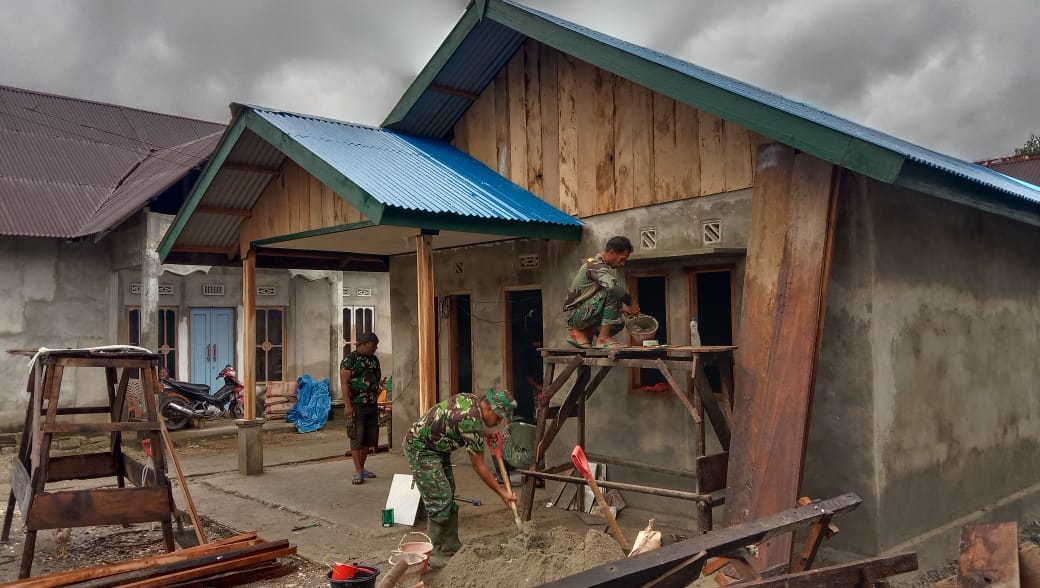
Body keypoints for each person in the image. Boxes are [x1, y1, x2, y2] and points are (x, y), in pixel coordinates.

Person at [403, 388, 517, 568]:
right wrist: (502, 492)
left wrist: (484, 434)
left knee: (449, 491)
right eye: (499, 417)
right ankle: (434, 552)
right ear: (488, 409)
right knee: (440, 497)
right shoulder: (471, 422)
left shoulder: (473, 403)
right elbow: (479, 466)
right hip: (421, 448)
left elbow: (458, 423)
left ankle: (450, 543)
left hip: (437, 447)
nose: (499, 422)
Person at [563, 236, 641, 348]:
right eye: (622, 259)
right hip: (574, 315)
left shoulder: (602, 267)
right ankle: (601, 339)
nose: (622, 264)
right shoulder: (594, 265)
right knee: (613, 291)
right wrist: (631, 303)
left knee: (619, 322)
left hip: (583, 312)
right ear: (612, 252)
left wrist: (620, 309)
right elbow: (612, 288)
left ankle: (585, 333)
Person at [340, 331, 381, 485]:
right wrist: (348, 405)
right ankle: (357, 471)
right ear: (363, 344)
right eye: (372, 345)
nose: (375, 348)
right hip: (356, 404)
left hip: (371, 404)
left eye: (376, 346)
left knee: (368, 439)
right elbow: (344, 384)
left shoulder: (374, 360)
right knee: (357, 437)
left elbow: (378, 376)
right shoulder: (349, 360)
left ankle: (362, 468)